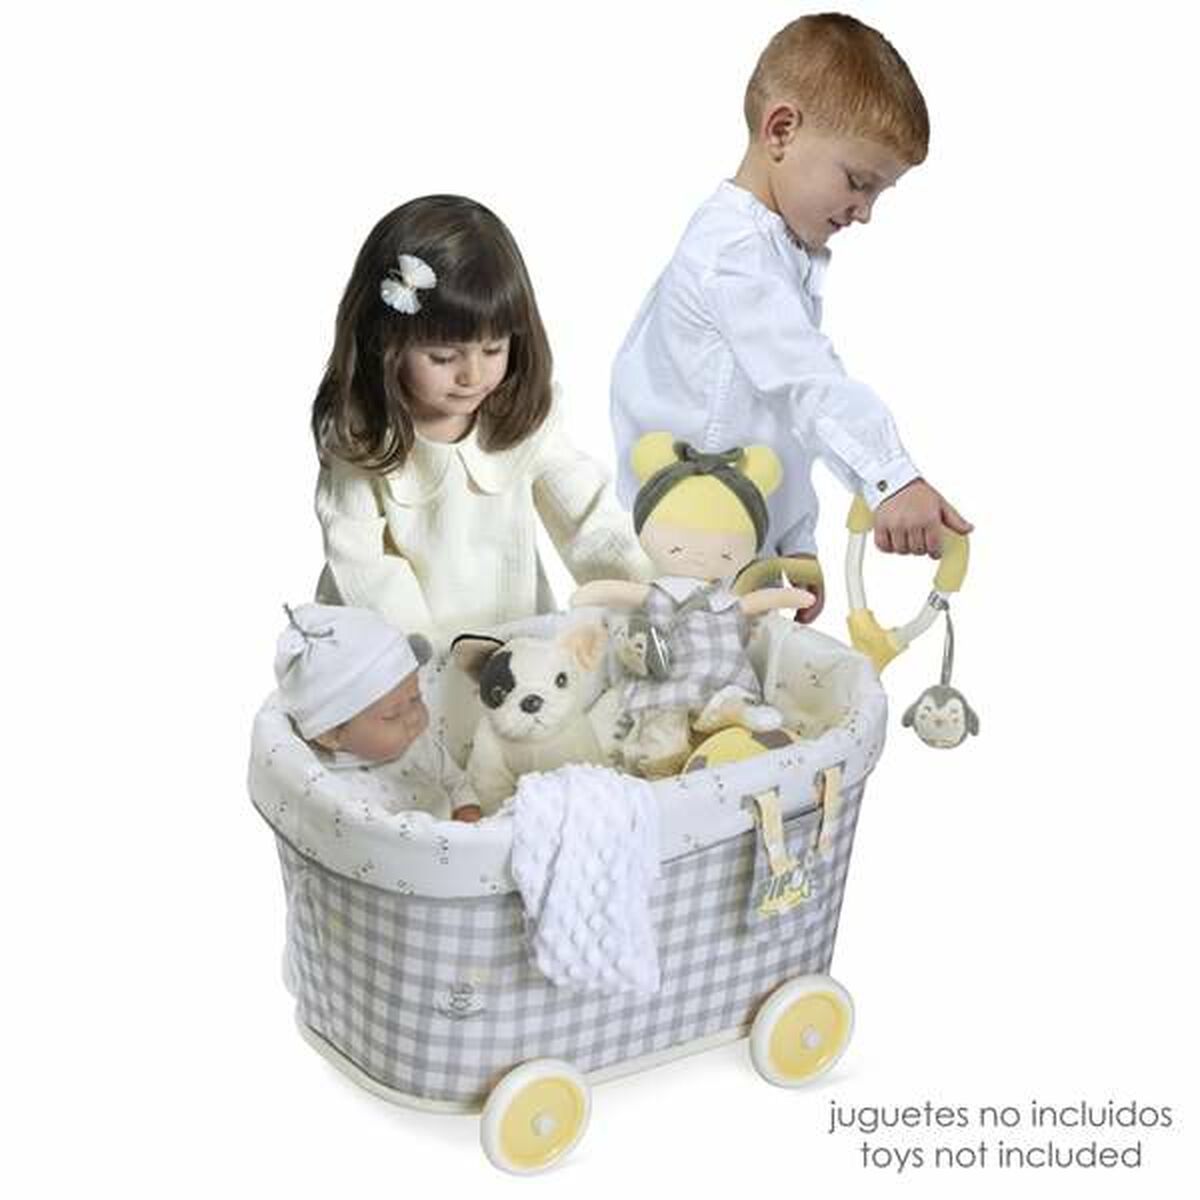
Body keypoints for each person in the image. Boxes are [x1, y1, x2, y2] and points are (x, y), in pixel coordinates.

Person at [610, 12, 972, 623]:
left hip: (731, 537)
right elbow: (806, 381)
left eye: (877, 193)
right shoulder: (734, 252)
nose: (864, 212)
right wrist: (891, 478)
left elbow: (775, 421)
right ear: (781, 131)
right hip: (689, 541)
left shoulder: (775, 252)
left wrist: (793, 540)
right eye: (858, 182)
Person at [312, 195, 650, 646]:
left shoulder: (520, 419)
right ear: (385, 343)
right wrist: (424, 655)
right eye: (443, 356)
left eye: (494, 349)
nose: (472, 375)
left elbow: (584, 515)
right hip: (397, 648)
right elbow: (365, 566)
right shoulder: (362, 437)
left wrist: (653, 590)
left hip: (509, 642)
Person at [274, 603, 483, 822]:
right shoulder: (333, 790)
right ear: (331, 735)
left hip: (451, 833)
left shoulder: (418, 744)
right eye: (392, 715)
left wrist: (467, 811)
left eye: (416, 698)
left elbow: (455, 782)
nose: (414, 717)